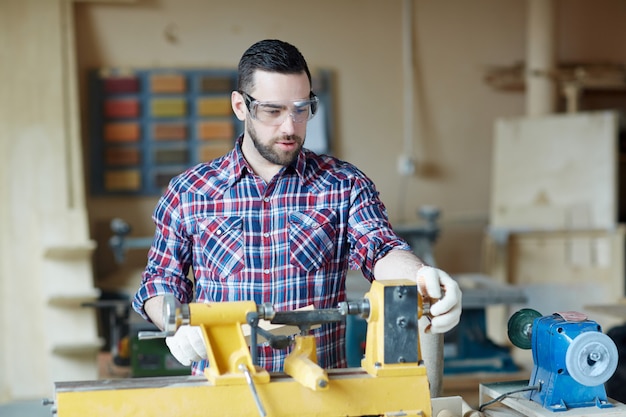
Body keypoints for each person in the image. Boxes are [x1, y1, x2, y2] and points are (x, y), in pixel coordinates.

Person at [132, 39, 461, 396]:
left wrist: (423, 277)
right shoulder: (189, 191)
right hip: (221, 396)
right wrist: (175, 322)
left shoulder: (342, 185)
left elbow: (380, 249)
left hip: (321, 395)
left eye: (301, 109)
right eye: (273, 111)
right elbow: (160, 282)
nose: (290, 126)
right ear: (240, 106)